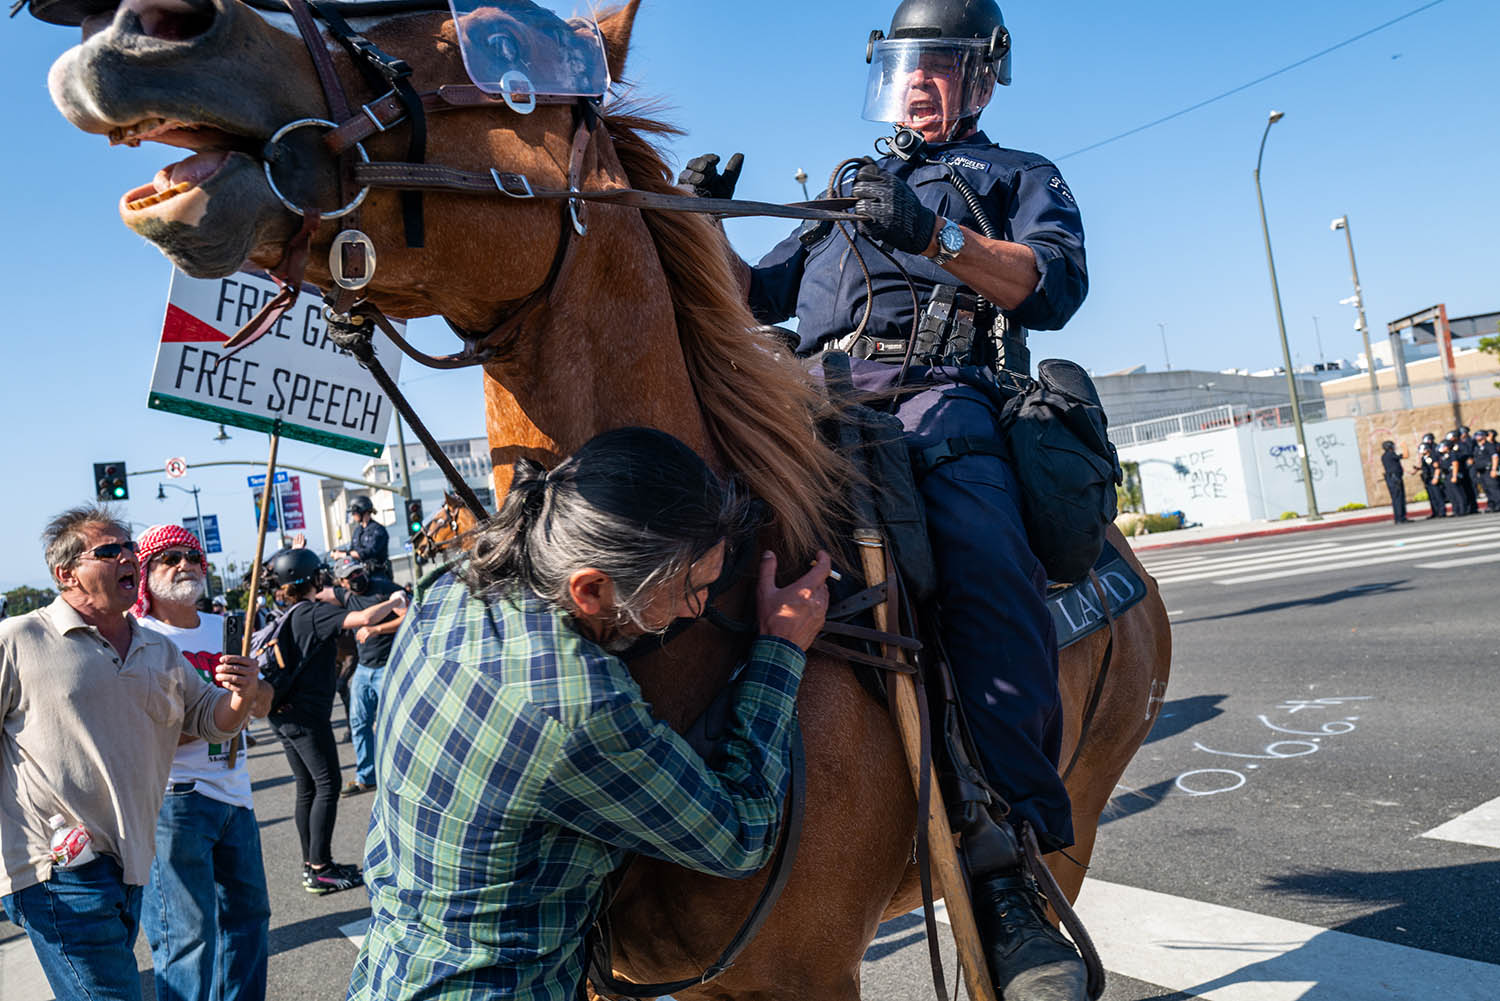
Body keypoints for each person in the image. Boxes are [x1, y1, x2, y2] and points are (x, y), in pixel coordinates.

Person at [679, 2, 1089, 996]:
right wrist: (699, 230)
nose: (917, 80)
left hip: (941, 400)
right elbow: (753, 297)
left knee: (984, 569)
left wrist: (932, 230)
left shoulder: (1018, 174)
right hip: (814, 398)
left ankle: (1004, 865)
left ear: (982, 77)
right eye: (906, 63)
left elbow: (1053, 285)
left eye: (940, 63)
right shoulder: (846, 191)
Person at [347, 427, 832, 1001]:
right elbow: (742, 837)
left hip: (390, 972)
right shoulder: (579, 711)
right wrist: (781, 650)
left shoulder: (450, 589)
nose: (696, 610)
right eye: (689, 589)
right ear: (591, 589)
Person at [0, 506, 260, 1001]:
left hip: (132, 860)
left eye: (129, 548)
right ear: (66, 573)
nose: (128, 557)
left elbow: (211, 721)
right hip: (57, 867)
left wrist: (240, 696)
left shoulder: (157, 649)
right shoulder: (19, 639)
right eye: (109, 550)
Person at [132, 524, 274, 1001]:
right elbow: (142, 732)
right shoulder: (138, 638)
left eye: (191, 555)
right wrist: (221, 717)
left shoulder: (226, 629)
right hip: (174, 801)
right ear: (145, 573)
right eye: (168, 558)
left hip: (235, 793)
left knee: (249, 923)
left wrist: (252, 690)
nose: (183, 564)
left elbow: (266, 703)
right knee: (187, 940)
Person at [262, 548, 405, 894]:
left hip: (282, 712)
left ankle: (312, 864)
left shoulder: (289, 613)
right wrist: (395, 598)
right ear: (313, 579)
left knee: (307, 787)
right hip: (307, 717)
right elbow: (366, 618)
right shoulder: (312, 613)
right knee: (327, 785)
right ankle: (321, 868)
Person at [328, 557, 406, 797]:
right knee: (359, 724)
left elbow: (406, 615)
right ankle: (367, 777)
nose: (356, 577)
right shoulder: (346, 596)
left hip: (388, 666)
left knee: (394, 724)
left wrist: (376, 629)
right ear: (342, 581)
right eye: (350, 576)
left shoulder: (385, 588)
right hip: (364, 669)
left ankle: (403, 775)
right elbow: (316, 593)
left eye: (358, 571)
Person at [330, 496, 391, 578]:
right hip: (361, 574)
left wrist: (342, 554)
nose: (353, 515)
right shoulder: (357, 531)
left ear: (362, 511)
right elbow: (352, 550)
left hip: (377, 574)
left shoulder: (378, 530)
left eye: (354, 513)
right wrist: (339, 552)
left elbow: (366, 553)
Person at [1379, 441, 1408, 524]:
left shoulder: (1385, 456)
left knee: (1396, 498)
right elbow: (1406, 456)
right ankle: (1400, 518)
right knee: (1399, 498)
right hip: (1394, 479)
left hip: (1391, 478)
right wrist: (1405, 446)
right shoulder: (1391, 454)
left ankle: (1398, 517)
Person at [1416, 440, 1445, 519]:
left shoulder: (1433, 456)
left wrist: (1436, 478)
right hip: (1427, 479)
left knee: (1437, 495)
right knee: (1432, 497)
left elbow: (1437, 467)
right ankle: (1435, 512)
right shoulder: (1424, 458)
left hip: (1433, 477)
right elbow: (1425, 468)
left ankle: (1442, 512)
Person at [1474, 428, 1500, 512]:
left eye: (1479, 435)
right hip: (1482, 472)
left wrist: (1494, 469)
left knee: (1494, 488)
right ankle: (1492, 505)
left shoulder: (1489, 445)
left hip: (1489, 470)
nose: (1477, 437)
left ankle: (1498, 504)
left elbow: (1495, 457)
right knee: (1486, 489)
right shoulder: (1477, 447)